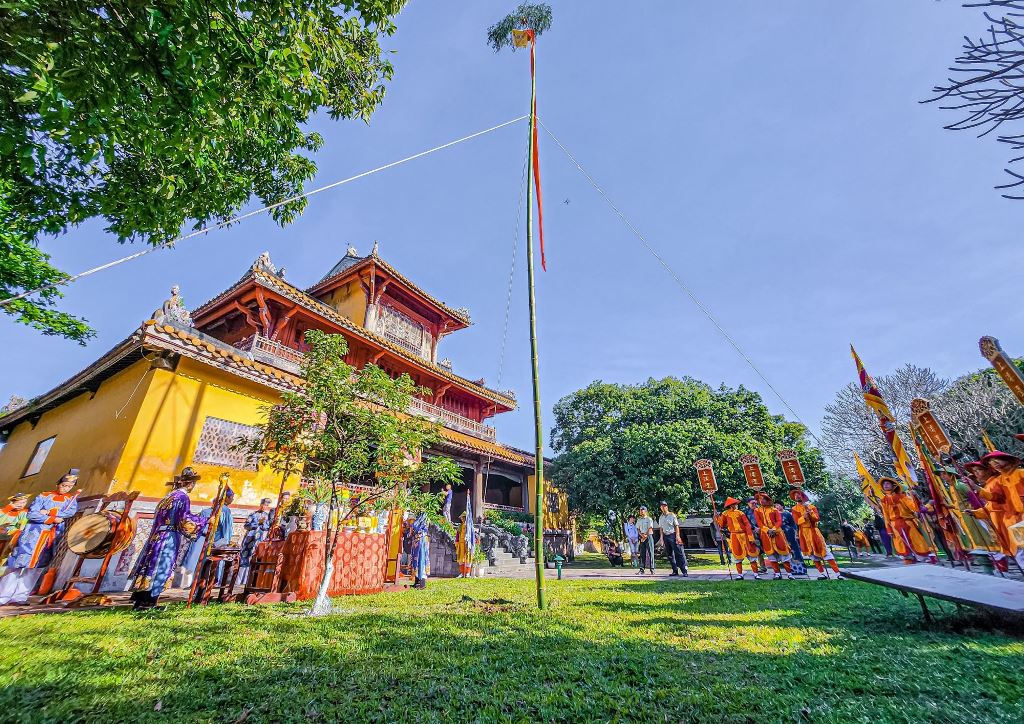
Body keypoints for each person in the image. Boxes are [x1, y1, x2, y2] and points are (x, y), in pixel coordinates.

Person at [0, 470, 80, 606]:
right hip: (31, 536)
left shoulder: (70, 501)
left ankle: (20, 597)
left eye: (68, 486)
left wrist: (48, 512)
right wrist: (51, 517)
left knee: (36, 568)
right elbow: (32, 514)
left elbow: (69, 513)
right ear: (58, 484)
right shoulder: (44, 496)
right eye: (63, 485)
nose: (65, 488)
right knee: (16, 566)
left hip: (49, 538)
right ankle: (3, 596)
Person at [130, 467, 204, 609]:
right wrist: (204, 521)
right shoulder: (183, 498)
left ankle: (141, 599)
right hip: (168, 537)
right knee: (160, 566)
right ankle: (149, 601)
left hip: (157, 535)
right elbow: (184, 519)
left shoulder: (168, 496)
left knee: (151, 566)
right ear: (191, 484)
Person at [967, 458, 1024, 571]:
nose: (976, 473)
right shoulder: (1000, 480)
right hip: (1011, 520)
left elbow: (996, 500)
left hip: (1013, 518)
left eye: (979, 470)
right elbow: (992, 504)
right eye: (993, 463)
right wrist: (977, 512)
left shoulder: (1015, 475)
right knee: (1019, 550)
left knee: (1019, 550)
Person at [179, 487, 235, 589]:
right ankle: (211, 582)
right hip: (214, 540)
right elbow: (226, 529)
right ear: (226, 498)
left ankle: (188, 582)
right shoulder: (225, 510)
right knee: (209, 562)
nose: (233, 500)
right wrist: (226, 542)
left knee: (194, 559)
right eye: (232, 497)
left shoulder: (206, 511)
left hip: (200, 537)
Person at [879, 477, 937, 565]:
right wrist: (889, 529)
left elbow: (914, 507)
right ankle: (908, 557)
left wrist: (914, 497)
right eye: (884, 484)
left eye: (887, 483)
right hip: (894, 524)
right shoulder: (883, 500)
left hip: (907, 522)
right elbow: (886, 515)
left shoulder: (903, 496)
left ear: (893, 485)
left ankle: (925, 556)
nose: (885, 485)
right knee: (900, 542)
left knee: (916, 539)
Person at [789, 489, 843, 580]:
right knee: (812, 554)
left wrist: (810, 512)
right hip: (804, 533)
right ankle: (822, 573)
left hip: (814, 531)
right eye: (795, 495)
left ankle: (837, 573)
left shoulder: (811, 507)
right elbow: (797, 521)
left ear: (802, 496)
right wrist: (804, 517)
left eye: (798, 494)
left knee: (825, 552)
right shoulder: (794, 509)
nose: (797, 496)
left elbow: (817, 518)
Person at [717, 497, 761, 580]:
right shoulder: (725, 514)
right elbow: (721, 524)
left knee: (751, 555)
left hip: (744, 535)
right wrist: (718, 518)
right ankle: (740, 575)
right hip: (734, 536)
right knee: (737, 556)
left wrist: (750, 537)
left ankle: (756, 574)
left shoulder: (740, 513)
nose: (736, 506)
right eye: (735, 504)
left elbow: (747, 525)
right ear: (731, 505)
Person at [754, 493, 794, 579]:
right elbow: (759, 523)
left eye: (764, 499)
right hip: (765, 535)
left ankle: (789, 574)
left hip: (777, 533)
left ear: (768, 500)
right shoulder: (757, 511)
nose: (762, 500)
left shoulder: (774, 510)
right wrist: (767, 530)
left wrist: (773, 529)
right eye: (760, 499)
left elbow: (779, 521)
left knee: (784, 553)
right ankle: (777, 574)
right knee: (771, 554)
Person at [237, 497, 273, 586]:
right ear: (260, 504)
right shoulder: (253, 514)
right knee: (245, 558)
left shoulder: (266, 516)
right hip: (249, 539)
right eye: (264, 504)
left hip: (259, 540)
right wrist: (257, 523)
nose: (265, 507)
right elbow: (246, 525)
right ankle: (239, 580)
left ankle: (249, 580)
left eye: (267, 505)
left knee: (254, 558)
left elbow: (267, 527)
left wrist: (264, 524)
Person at [0, 493, 30, 572]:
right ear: (12, 502)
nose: (21, 505)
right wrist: (7, 509)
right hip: (2, 536)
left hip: (11, 539)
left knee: (4, 558)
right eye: (19, 502)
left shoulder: (24, 513)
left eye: (24, 502)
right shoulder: (3, 511)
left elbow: (22, 527)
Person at [657, 501, 688, 576]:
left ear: (667, 507)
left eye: (664, 506)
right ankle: (675, 570)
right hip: (665, 536)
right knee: (670, 554)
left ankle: (684, 571)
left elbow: (676, 526)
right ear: (660, 508)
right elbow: (661, 528)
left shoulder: (672, 515)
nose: (663, 507)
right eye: (662, 506)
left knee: (679, 553)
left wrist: (677, 536)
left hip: (673, 535)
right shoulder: (661, 517)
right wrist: (661, 538)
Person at [777, 503, 805, 575]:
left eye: (778, 505)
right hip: (780, 534)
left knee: (795, 550)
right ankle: (789, 569)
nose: (777, 506)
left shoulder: (787, 514)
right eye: (775, 505)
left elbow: (793, 524)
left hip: (789, 533)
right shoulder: (774, 514)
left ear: (782, 506)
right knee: (785, 551)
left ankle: (800, 569)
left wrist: (795, 533)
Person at [455, 500, 476, 578]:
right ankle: (461, 573)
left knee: (468, 558)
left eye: (463, 518)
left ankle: (467, 573)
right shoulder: (460, 526)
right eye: (461, 518)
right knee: (460, 559)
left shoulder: (470, 526)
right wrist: (456, 543)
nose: (462, 519)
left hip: (468, 544)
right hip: (461, 544)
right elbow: (457, 535)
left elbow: (473, 535)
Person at [410, 512, 430, 589]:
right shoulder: (418, 520)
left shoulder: (424, 520)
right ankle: (417, 581)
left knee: (421, 560)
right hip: (417, 542)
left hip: (421, 542)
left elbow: (416, 527)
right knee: (416, 561)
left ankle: (422, 583)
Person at [635, 506, 656, 574]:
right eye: (640, 510)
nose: (641, 511)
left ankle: (652, 569)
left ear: (646, 511)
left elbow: (650, 528)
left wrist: (645, 536)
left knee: (651, 553)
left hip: (648, 536)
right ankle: (642, 569)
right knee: (642, 553)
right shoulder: (639, 520)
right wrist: (642, 536)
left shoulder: (649, 519)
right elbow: (637, 529)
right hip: (642, 536)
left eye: (642, 510)